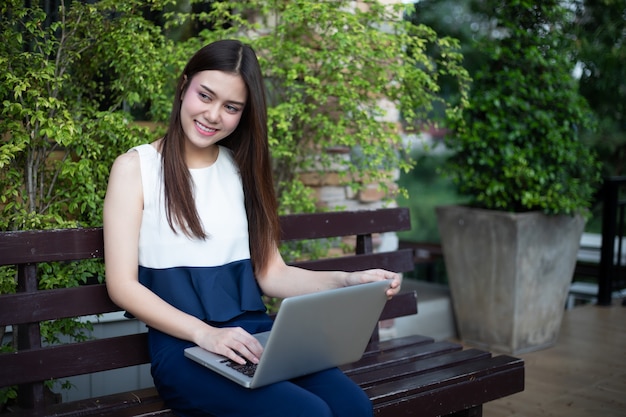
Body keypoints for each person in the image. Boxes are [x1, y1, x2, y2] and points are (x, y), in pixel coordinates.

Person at [103, 39, 401, 417]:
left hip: (260, 340)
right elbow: (122, 285)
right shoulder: (135, 169)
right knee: (309, 414)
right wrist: (205, 333)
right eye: (205, 96)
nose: (213, 115)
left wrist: (346, 281)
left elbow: (271, 273)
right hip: (185, 348)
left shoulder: (240, 169)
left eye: (230, 107)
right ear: (183, 87)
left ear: (244, 114)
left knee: (353, 407)